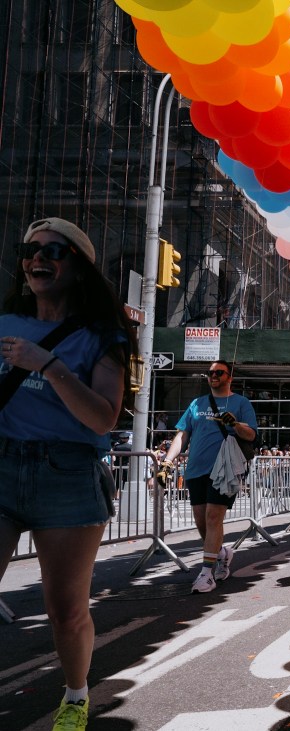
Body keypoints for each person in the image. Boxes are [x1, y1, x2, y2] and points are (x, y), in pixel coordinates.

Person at [0, 217, 138, 729]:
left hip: (67, 475)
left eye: (53, 251)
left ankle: (76, 697)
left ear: (78, 268)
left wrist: (48, 364)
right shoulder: (5, 323)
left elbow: (103, 418)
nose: (38, 258)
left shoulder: (102, 336)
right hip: (3, 465)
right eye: (30, 249)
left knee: (65, 609)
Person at [162, 360, 257, 594]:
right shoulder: (196, 403)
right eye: (210, 373)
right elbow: (182, 435)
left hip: (224, 470)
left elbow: (252, 435)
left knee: (214, 517)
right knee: (202, 521)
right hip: (196, 470)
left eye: (219, 373)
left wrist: (235, 424)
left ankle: (206, 574)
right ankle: (222, 553)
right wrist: (167, 461)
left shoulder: (241, 403)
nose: (213, 376)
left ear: (230, 377)